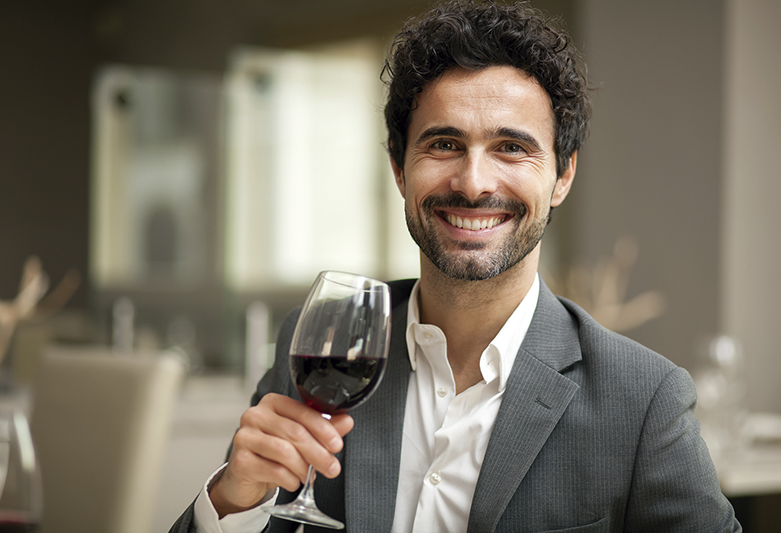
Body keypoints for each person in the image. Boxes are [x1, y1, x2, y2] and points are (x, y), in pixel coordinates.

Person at [171, 1, 741, 531]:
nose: (472, 183)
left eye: (511, 148)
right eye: (443, 144)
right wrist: (231, 501)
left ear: (562, 175)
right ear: (399, 167)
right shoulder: (319, 340)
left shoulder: (644, 401)